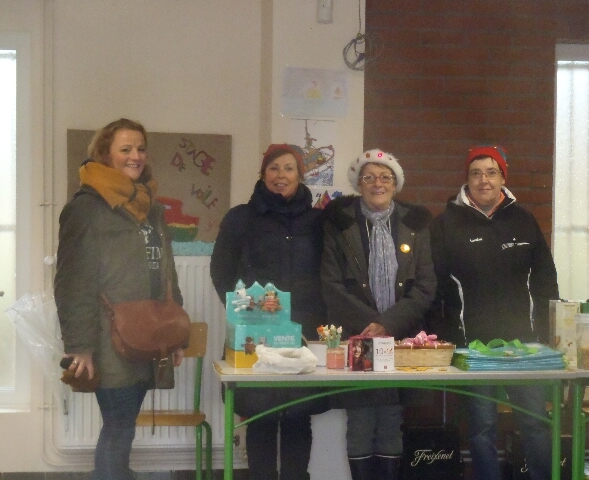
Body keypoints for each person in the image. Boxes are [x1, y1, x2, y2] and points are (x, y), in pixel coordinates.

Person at [54, 118, 184, 480]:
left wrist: (176, 333)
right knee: (119, 425)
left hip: (149, 333)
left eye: (140, 148)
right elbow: (71, 281)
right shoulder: (86, 208)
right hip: (107, 338)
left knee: (123, 426)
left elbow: (166, 272)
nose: (135, 156)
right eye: (125, 149)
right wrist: (79, 346)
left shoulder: (151, 207)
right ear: (105, 155)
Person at [427, 145, 560, 480]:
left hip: (526, 345)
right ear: (467, 179)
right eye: (476, 173)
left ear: (503, 177)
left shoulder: (524, 220)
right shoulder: (445, 224)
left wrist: (548, 333)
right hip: (473, 347)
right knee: (481, 427)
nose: (483, 180)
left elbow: (546, 280)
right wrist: (448, 338)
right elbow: (435, 287)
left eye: (491, 172)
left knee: (536, 422)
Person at [210, 143, 326, 480]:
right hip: (255, 333)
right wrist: (245, 314)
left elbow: (328, 273)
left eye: (289, 168)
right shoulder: (240, 218)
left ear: (300, 175)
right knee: (260, 416)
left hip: (302, 332)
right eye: (274, 168)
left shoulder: (318, 221)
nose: (281, 175)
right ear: (263, 175)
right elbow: (222, 272)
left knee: (297, 417)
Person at [321, 149, 437, 480]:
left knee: (391, 420)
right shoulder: (339, 225)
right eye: (369, 177)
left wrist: (387, 323)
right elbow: (330, 285)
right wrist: (369, 325)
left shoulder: (415, 225)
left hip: (401, 336)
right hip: (359, 337)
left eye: (385, 177)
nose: (377, 184)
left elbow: (425, 286)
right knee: (359, 422)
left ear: (395, 185)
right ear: (358, 184)